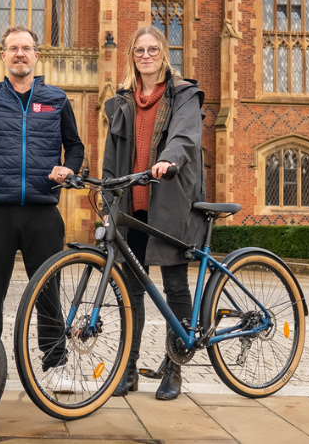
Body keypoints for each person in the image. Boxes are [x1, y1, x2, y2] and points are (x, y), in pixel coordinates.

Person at [0, 25, 85, 392]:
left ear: (36, 55)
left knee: (48, 291)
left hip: (42, 211)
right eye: (13, 48)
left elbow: (75, 146)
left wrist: (69, 169)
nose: (20, 54)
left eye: (26, 48)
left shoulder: (57, 99)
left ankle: (55, 365)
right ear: (3, 56)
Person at [101, 26, 206, 400]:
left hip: (170, 201)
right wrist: (108, 201)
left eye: (153, 49)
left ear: (164, 53)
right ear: (132, 56)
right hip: (132, 207)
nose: (146, 56)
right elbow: (111, 157)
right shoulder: (122, 101)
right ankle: (128, 370)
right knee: (131, 291)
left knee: (175, 286)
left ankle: (174, 367)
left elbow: (184, 137)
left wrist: (168, 160)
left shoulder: (183, 95)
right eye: (139, 50)